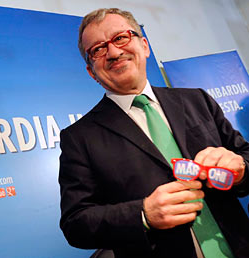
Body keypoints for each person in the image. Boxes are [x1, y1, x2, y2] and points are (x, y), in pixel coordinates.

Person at [59, 8, 249, 258]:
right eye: (98, 49)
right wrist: (143, 215)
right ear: (91, 72)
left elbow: (244, 155)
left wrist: (240, 170)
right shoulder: (79, 138)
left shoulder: (197, 99)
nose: (114, 52)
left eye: (120, 38)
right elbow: (76, 223)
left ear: (145, 46)